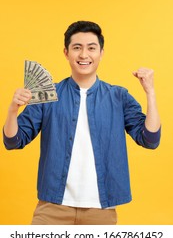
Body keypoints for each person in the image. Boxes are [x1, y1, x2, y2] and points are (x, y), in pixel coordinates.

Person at [3, 21, 161, 225]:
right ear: (66, 52)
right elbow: (13, 141)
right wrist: (13, 110)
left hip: (101, 211)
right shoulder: (48, 95)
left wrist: (151, 93)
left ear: (101, 53)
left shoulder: (118, 97)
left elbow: (150, 139)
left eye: (91, 48)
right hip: (52, 208)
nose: (84, 55)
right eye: (77, 47)